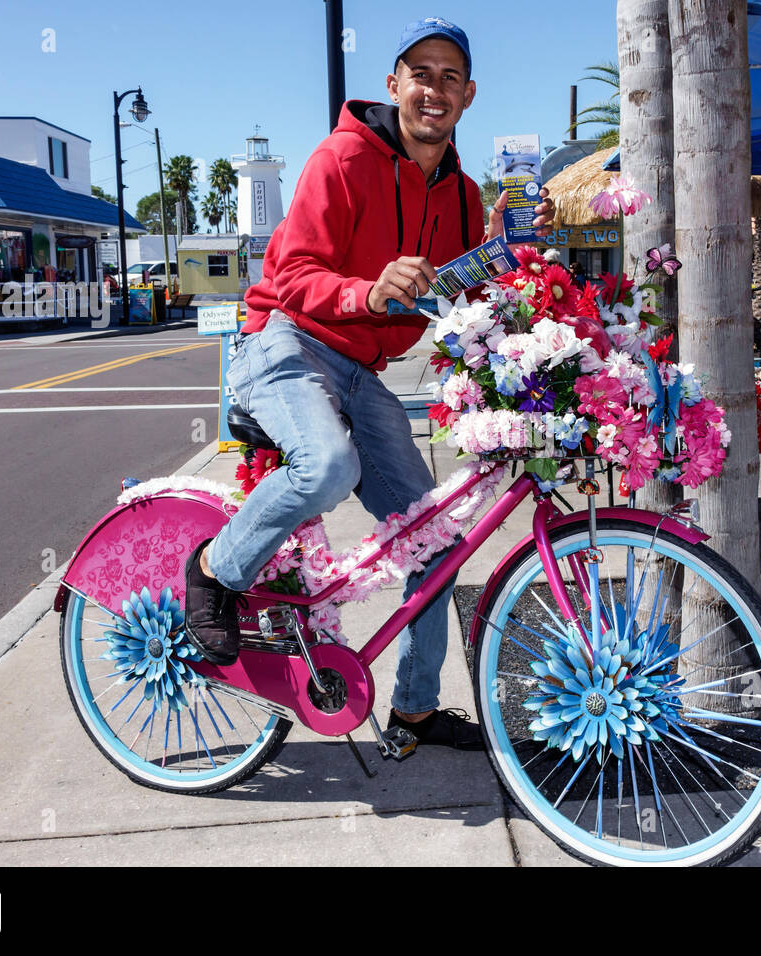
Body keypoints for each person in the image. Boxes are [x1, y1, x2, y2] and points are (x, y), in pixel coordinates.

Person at [183, 17, 554, 750]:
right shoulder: (341, 159)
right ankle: (215, 569)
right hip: (284, 341)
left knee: (434, 542)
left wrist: (513, 249)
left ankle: (415, 709)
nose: (435, 89)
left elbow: (459, 292)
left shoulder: (466, 195)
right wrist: (366, 291)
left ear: (469, 94)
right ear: (394, 85)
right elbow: (288, 277)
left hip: (361, 370)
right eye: (422, 73)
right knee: (327, 465)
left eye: (451, 77)